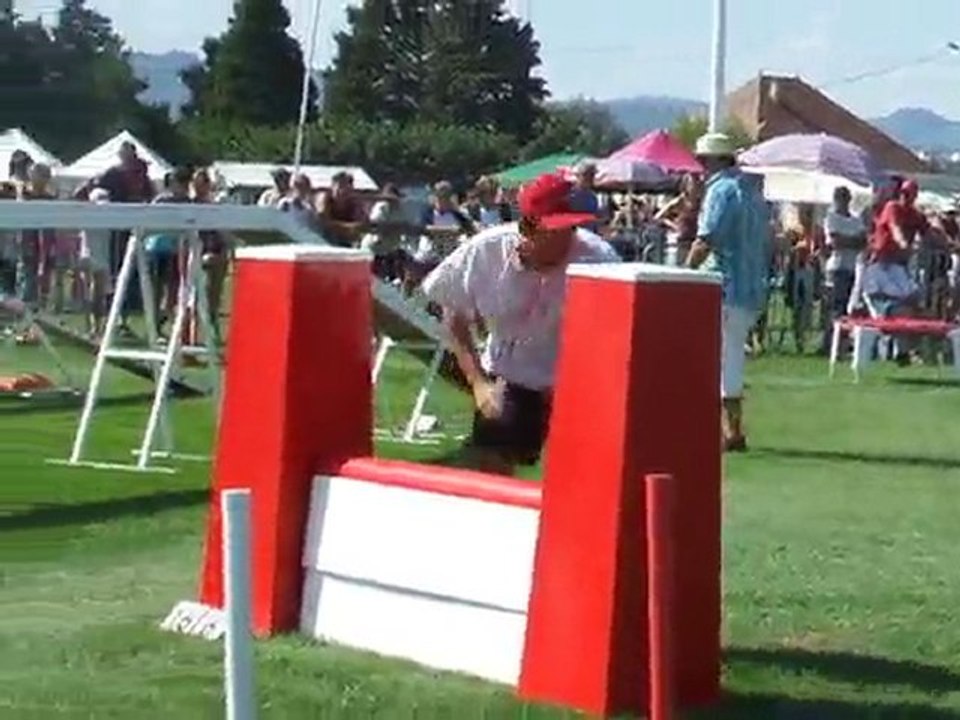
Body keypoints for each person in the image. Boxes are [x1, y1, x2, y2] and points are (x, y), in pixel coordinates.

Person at [421, 172, 621, 476]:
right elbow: (454, 314)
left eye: (572, 227)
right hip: (508, 373)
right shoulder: (486, 252)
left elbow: (615, 334)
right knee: (494, 456)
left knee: (585, 473)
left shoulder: (599, 261)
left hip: (572, 380)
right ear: (528, 228)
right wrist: (479, 384)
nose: (567, 237)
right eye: (555, 230)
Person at [686, 133, 772, 453]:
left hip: (722, 286)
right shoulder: (751, 192)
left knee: (721, 360)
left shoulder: (721, 190)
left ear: (714, 160)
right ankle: (729, 429)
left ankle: (728, 431)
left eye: (702, 160)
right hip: (750, 287)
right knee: (731, 358)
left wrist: (683, 272)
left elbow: (707, 238)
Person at [821, 187, 867, 351]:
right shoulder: (831, 218)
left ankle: (842, 342)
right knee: (836, 307)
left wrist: (848, 240)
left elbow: (863, 242)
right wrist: (852, 241)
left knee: (849, 308)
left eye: (845, 197)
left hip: (853, 268)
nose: (842, 201)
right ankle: (830, 343)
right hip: (837, 267)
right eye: (839, 197)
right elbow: (835, 242)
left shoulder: (856, 220)